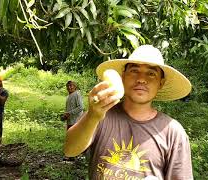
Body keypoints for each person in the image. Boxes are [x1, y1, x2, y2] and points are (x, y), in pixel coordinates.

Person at [64, 45, 193, 179]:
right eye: (134, 70)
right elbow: (70, 150)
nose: (141, 79)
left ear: (161, 83)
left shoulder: (173, 132)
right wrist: (92, 115)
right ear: (123, 77)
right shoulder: (101, 114)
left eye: (151, 73)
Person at [61, 81, 84, 161]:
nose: (69, 87)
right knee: (71, 137)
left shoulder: (77, 94)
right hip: (71, 120)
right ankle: (72, 155)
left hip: (76, 120)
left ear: (75, 86)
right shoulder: (69, 96)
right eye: (68, 86)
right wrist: (66, 115)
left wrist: (69, 113)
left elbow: (81, 107)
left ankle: (72, 155)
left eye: (71, 86)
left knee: (72, 137)